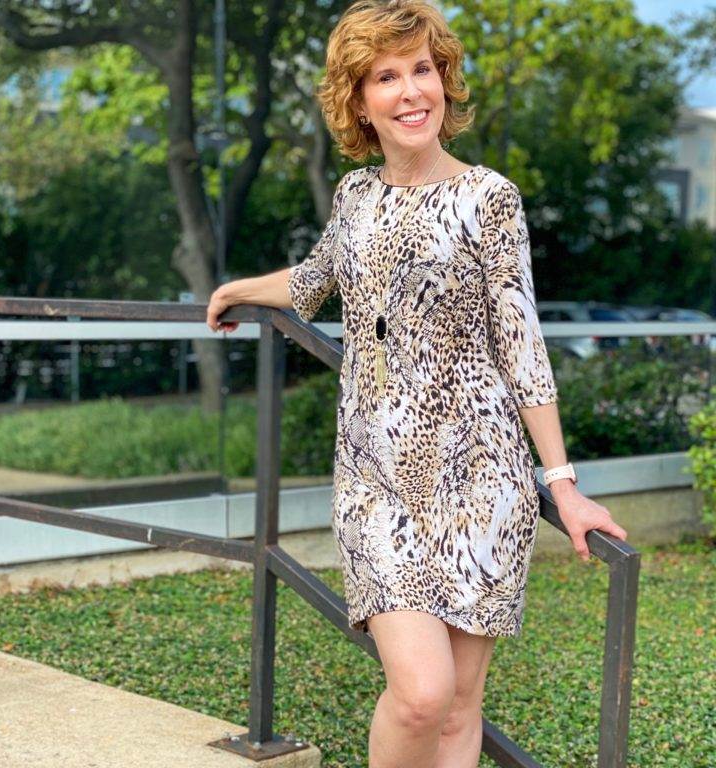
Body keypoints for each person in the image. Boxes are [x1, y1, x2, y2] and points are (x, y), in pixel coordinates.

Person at [207, 1, 628, 766]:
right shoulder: (355, 198)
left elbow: (521, 343)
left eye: (422, 71)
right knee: (421, 694)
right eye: (387, 76)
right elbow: (313, 280)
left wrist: (561, 483)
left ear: (444, 81)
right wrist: (240, 289)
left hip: (480, 480)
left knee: (460, 706)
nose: (411, 92)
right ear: (359, 100)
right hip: (375, 479)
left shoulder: (489, 199)